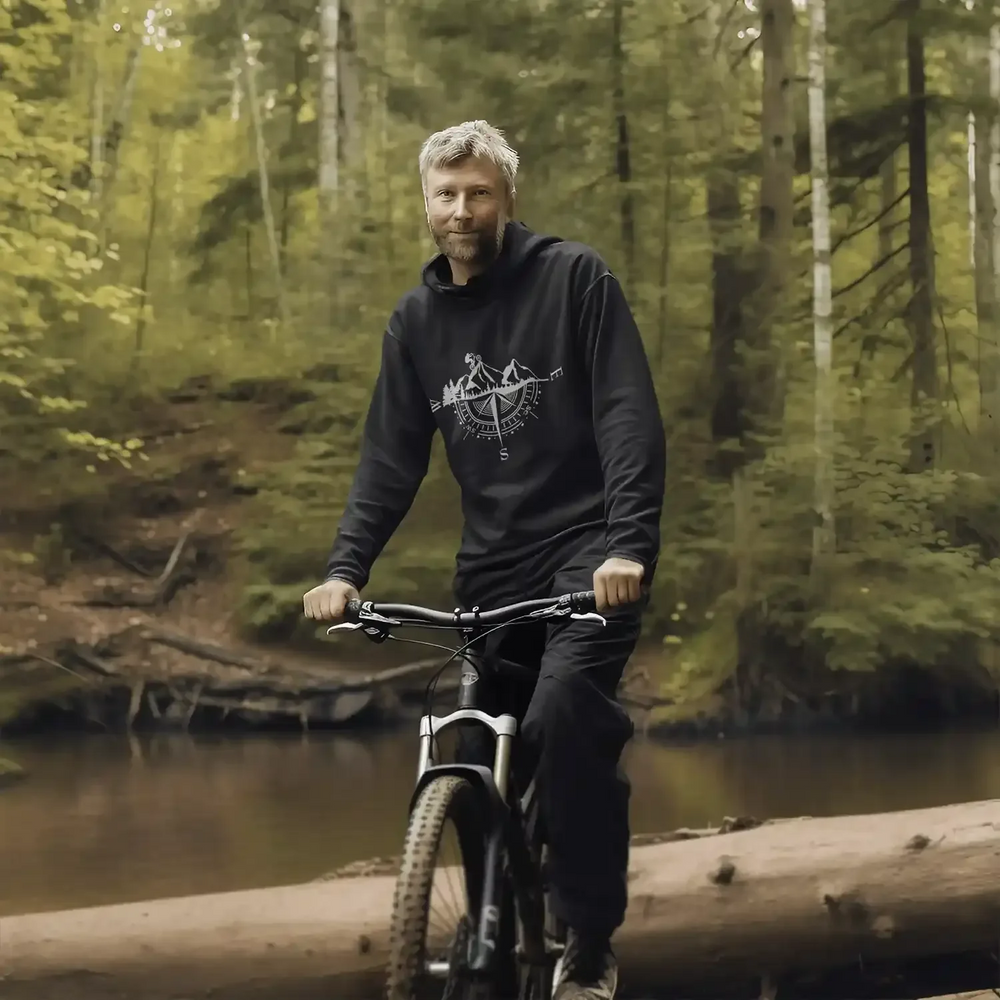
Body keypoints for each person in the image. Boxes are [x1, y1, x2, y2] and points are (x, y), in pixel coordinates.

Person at [303, 119, 665, 1000]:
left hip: (589, 558)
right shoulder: (416, 322)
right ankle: (495, 933)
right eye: (446, 195)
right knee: (469, 748)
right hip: (492, 575)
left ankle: (588, 940)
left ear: (508, 198)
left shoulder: (574, 278)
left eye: (478, 193)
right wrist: (346, 570)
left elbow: (627, 416)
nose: (461, 211)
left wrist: (627, 544)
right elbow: (389, 461)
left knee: (566, 721)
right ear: (426, 203)